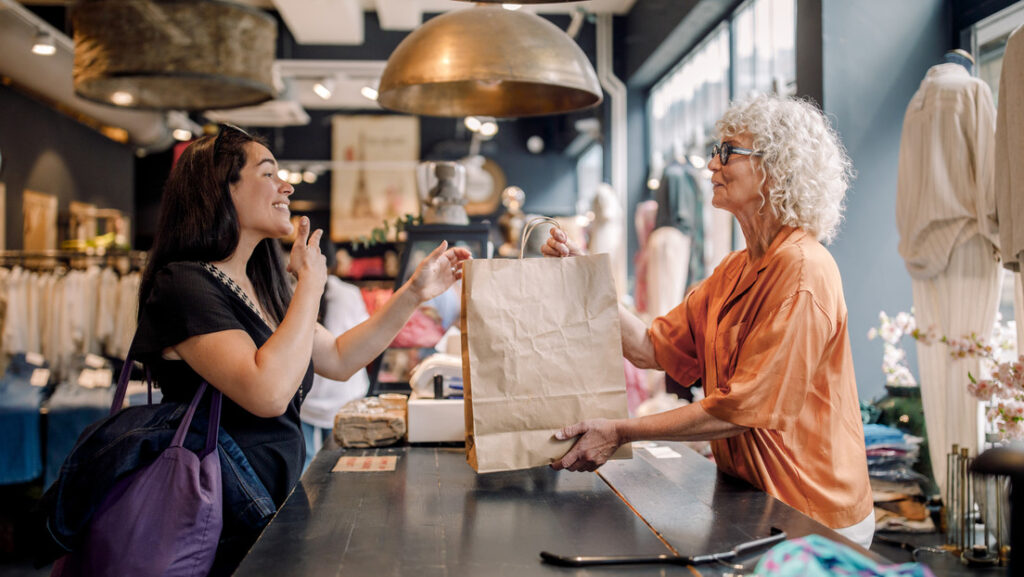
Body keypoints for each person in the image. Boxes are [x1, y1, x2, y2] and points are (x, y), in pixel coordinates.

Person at [132, 124, 470, 574]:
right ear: (221, 189)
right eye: (268, 174)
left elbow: (340, 358)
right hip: (213, 519)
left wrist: (413, 292)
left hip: (268, 506)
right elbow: (267, 393)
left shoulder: (260, 284)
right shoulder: (184, 284)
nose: (286, 186)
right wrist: (310, 282)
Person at [543, 94, 874, 549]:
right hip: (757, 500)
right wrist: (583, 276)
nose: (712, 166)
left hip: (813, 513)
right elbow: (650, 347)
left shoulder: (803, 269)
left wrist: (620, 431)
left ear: (776, 168)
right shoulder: (733, 270)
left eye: (727, 152)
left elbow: (743, 409)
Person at [299, 241, 371, 472]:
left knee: (305, 462)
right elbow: (364, 337)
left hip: (306, 394)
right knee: (340, 462)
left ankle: (304, 507)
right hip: (344, 393)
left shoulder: (294, 292)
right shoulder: (350, 293)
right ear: (334, 262)